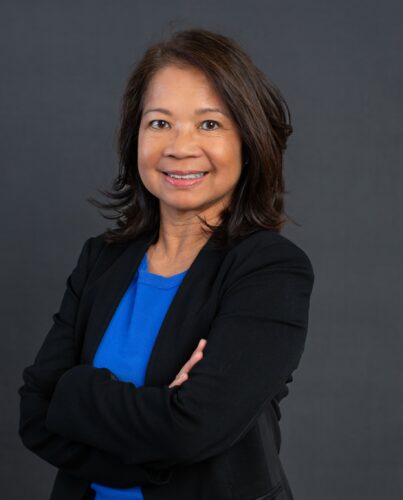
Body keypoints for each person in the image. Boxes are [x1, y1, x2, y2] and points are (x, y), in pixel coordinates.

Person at [18, 28, 315, 500]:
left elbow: (191, 430)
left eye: (209, 124)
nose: (180, 146)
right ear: (134, 137)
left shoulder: (270, 271)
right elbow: (35, 415)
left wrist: (74, 391)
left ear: (248, 140)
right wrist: (156, 432)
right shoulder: (101, 259)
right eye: (159, 123)